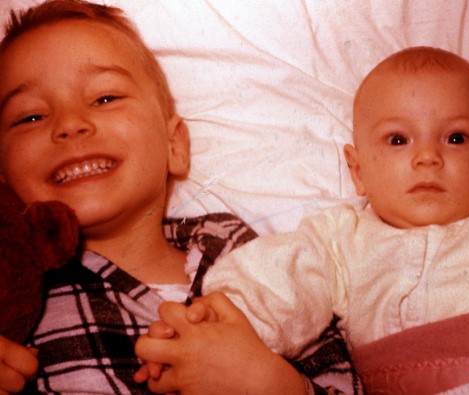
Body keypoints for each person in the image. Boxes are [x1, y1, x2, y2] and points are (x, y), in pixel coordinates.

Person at [134, 46, 469, 392]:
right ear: (357, 171)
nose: (427, 158)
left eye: (456, 138)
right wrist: (212, 323)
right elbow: (284, 277)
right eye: (398, 141)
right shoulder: (343, 241)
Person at [0, 1, 361, 394]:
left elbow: (343, 379)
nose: (69, 124)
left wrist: (271, 384)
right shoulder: (16, 290)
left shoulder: (248, 258)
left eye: (106, 98)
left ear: (175, 146)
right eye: (30, 117)